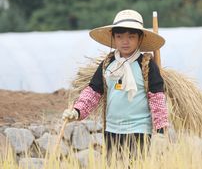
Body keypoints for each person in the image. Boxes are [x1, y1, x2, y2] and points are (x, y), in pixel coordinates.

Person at [62, 9, 170, 159]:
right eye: (119, 37)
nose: (125, 41)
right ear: (113, 38)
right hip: (112, 130)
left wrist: (161, 131)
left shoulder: (146, 64)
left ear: (140, 38)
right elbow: (93, 91)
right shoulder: (108, 64)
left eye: (131, 36)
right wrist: (77, 111)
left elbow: (157, 98)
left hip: (139, 130)